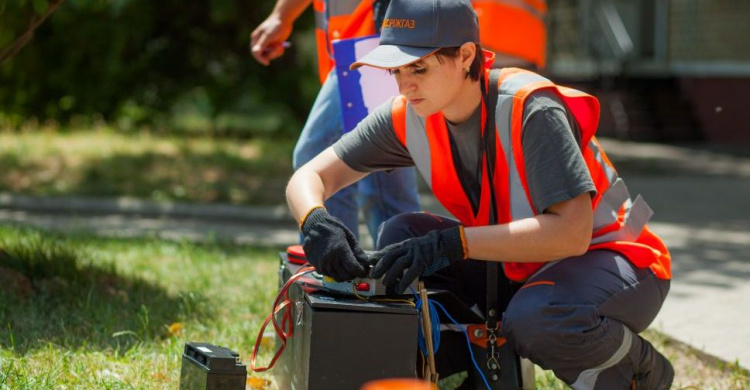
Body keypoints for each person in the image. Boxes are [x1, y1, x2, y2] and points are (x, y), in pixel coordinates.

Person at [286, 0, 674, 388]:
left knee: (538, 318)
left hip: (619, 261)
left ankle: (640, 371)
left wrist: (452, 244)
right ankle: (482, 365)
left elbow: (571, 234)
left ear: (466, 55)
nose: (405, 85)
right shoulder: (409, 112)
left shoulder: (531, 109)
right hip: (524, 264)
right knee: (400, 236)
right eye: (396, 70)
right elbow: (309, 176)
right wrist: (316, 221)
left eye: (418, 68)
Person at [251, 0, 420, 241]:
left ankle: (336, 272)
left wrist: (282, 16)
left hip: (373, 47)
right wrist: (282, 16)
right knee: (385, 180)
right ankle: (405, 272)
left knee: (319, 161)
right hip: (370, 46)